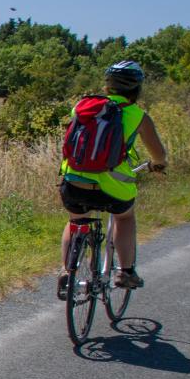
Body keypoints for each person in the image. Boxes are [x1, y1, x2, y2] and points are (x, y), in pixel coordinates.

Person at [58, 60, 167, 298]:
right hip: (113, 186)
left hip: (73, 181)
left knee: (76, 220)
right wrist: (158, 164)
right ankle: (126, 272)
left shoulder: (82, 106)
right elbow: (158, 153)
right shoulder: (138, 115)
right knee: (124, 218)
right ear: (136, 89)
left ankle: (68, 274)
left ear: (108, 86)